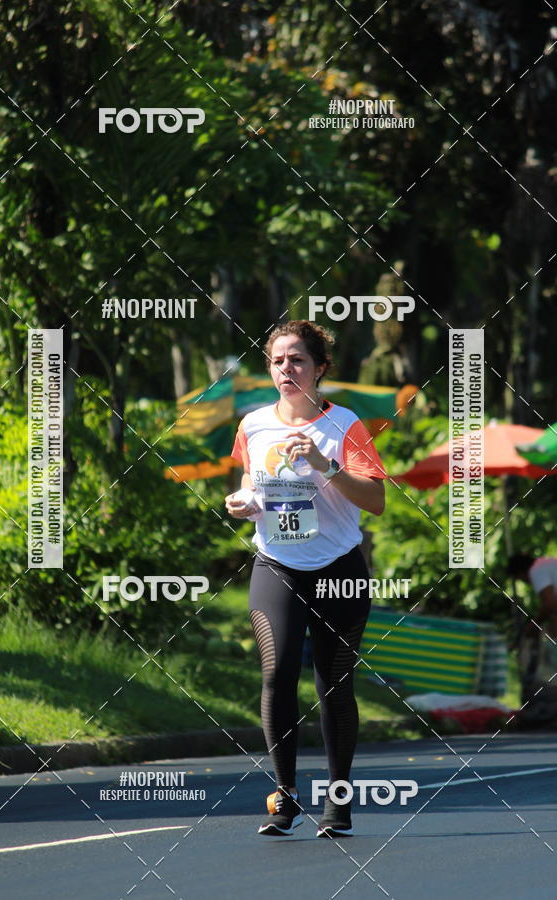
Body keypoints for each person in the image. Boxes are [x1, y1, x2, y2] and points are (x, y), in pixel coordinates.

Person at [225, 320, 386, 837]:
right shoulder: (252, 425)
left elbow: (377, 501)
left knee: (333, 684)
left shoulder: (345, 425)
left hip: (338, 569)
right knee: (276, 674)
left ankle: (337, 801)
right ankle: (285, 796)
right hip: (277, 565)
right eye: (277, 361)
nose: (286, 369)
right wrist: (245, 501)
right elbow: (252, 480)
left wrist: (325, 464)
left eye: (297, 360)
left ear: (319, 369)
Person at [507, 553, 557, 723]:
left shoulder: (537, 570)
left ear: (521, 573)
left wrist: (532, 626)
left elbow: (550, 604)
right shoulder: (549, 563)